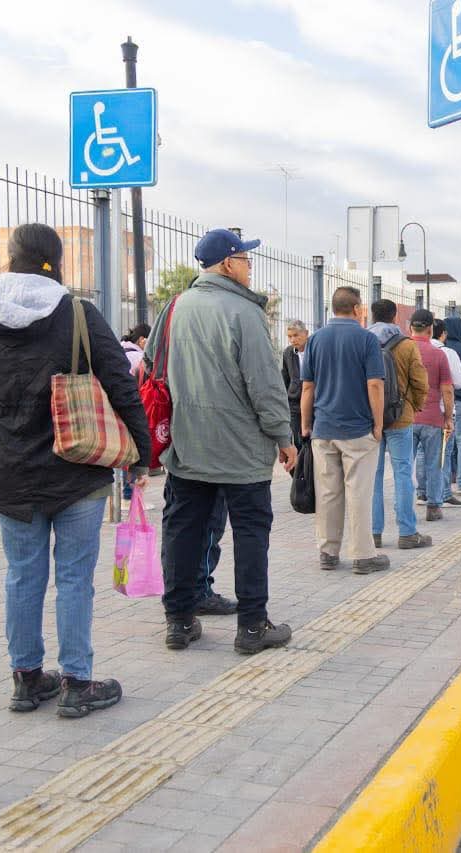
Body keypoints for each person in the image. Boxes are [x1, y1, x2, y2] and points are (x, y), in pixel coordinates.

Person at [0, 222, 151, 719]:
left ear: (11, 257)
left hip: (10, 468)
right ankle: (76, 682)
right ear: (58, 259)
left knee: (21, 577)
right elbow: (120, 383)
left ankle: (26, 680)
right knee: (73, 579)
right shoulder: (78, 313)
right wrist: (140, 454)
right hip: (76, 468)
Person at [146, 228, 297, 656]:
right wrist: (283, 438)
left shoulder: (175, 307)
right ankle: (252, 628)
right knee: (250, 534)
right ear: (228, 264)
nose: (250, 266)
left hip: (187, 445)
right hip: (241, 450)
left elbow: (155, 369)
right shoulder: (245, 313)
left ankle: (179, 620)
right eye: (246, 259)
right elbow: (265, 386)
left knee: (182, 530)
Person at [300, 287, 388, 574]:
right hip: (358, 429)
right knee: (359, 492)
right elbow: (374, 384)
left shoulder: (315, 340)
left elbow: (307, 387)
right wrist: (378, 423)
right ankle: (363, 556)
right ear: (357, 308)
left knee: (328, 492)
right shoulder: (367, 340)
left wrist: (305, 424)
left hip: (323, 429)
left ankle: (328, 551)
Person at [369, 299, 432, 549]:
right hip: (400, 416)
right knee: (403, 473)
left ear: (373, 317)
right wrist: (413, 406)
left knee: (373, 476)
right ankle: (407, 533)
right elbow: (420, 382)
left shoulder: (364, 341)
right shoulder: (407, 345)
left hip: (370, 417)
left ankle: (374, 533)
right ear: (396, 318)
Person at [409, 310, 454, 522]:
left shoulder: (401, 351)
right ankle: (434, 507)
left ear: (411, 328)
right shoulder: (439, 354)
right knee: (434, 462)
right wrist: (448, 418)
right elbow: (447, 389)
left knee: (403, 465)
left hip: (405, 419)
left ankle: (406, 505)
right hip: (433, 417)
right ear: (431, 329)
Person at [432, 318, 461, 503]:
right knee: (446, 451)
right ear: (442, 333)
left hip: (417, 411)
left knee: (422, 454)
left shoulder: (412, 348)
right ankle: (445, 492)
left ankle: (424, 492)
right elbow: (458, 383)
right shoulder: (449, 352)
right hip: (445, 407)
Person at [120, 322, 151, 504]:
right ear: (142, 340)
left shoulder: (118, 349)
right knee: (135, 452)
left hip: (117, 411)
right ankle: (131, 495)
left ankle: (126, 494)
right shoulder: (138, 357)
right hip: (134, 410)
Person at [282, 319, 308, 450]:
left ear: (306, 334)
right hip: (294, 403)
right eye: (290, 336)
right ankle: (298, 469)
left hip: (311, 402)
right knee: (297, 440)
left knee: (308, 438)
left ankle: (310, 468)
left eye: (296, 335)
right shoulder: (288, 353)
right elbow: (285, 378)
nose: (293, 340)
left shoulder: (314, 350)